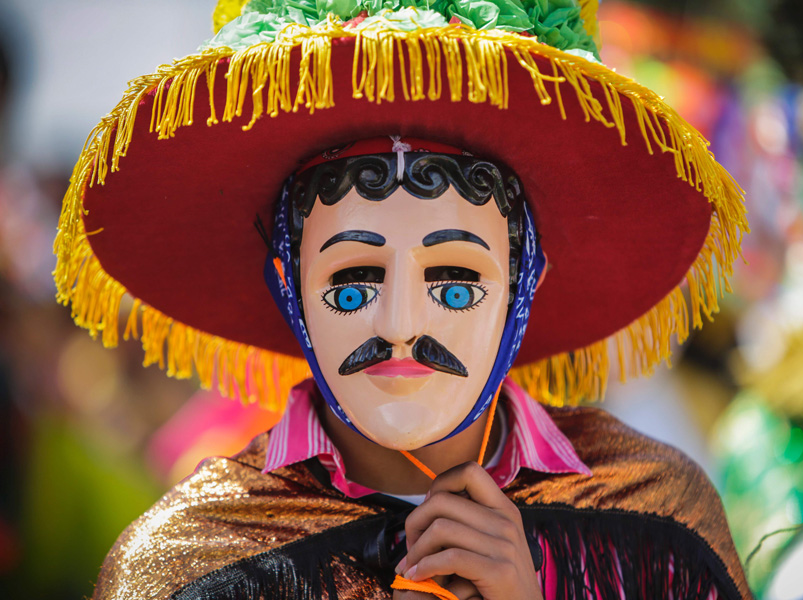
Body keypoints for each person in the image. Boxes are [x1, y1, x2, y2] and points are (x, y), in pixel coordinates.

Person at [53, 1, 752, 598]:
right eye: (354, 282)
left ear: (524, 281)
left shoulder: (653, 518)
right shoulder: (194, 564)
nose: (400, 326)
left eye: (454, 281)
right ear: (288, 285)